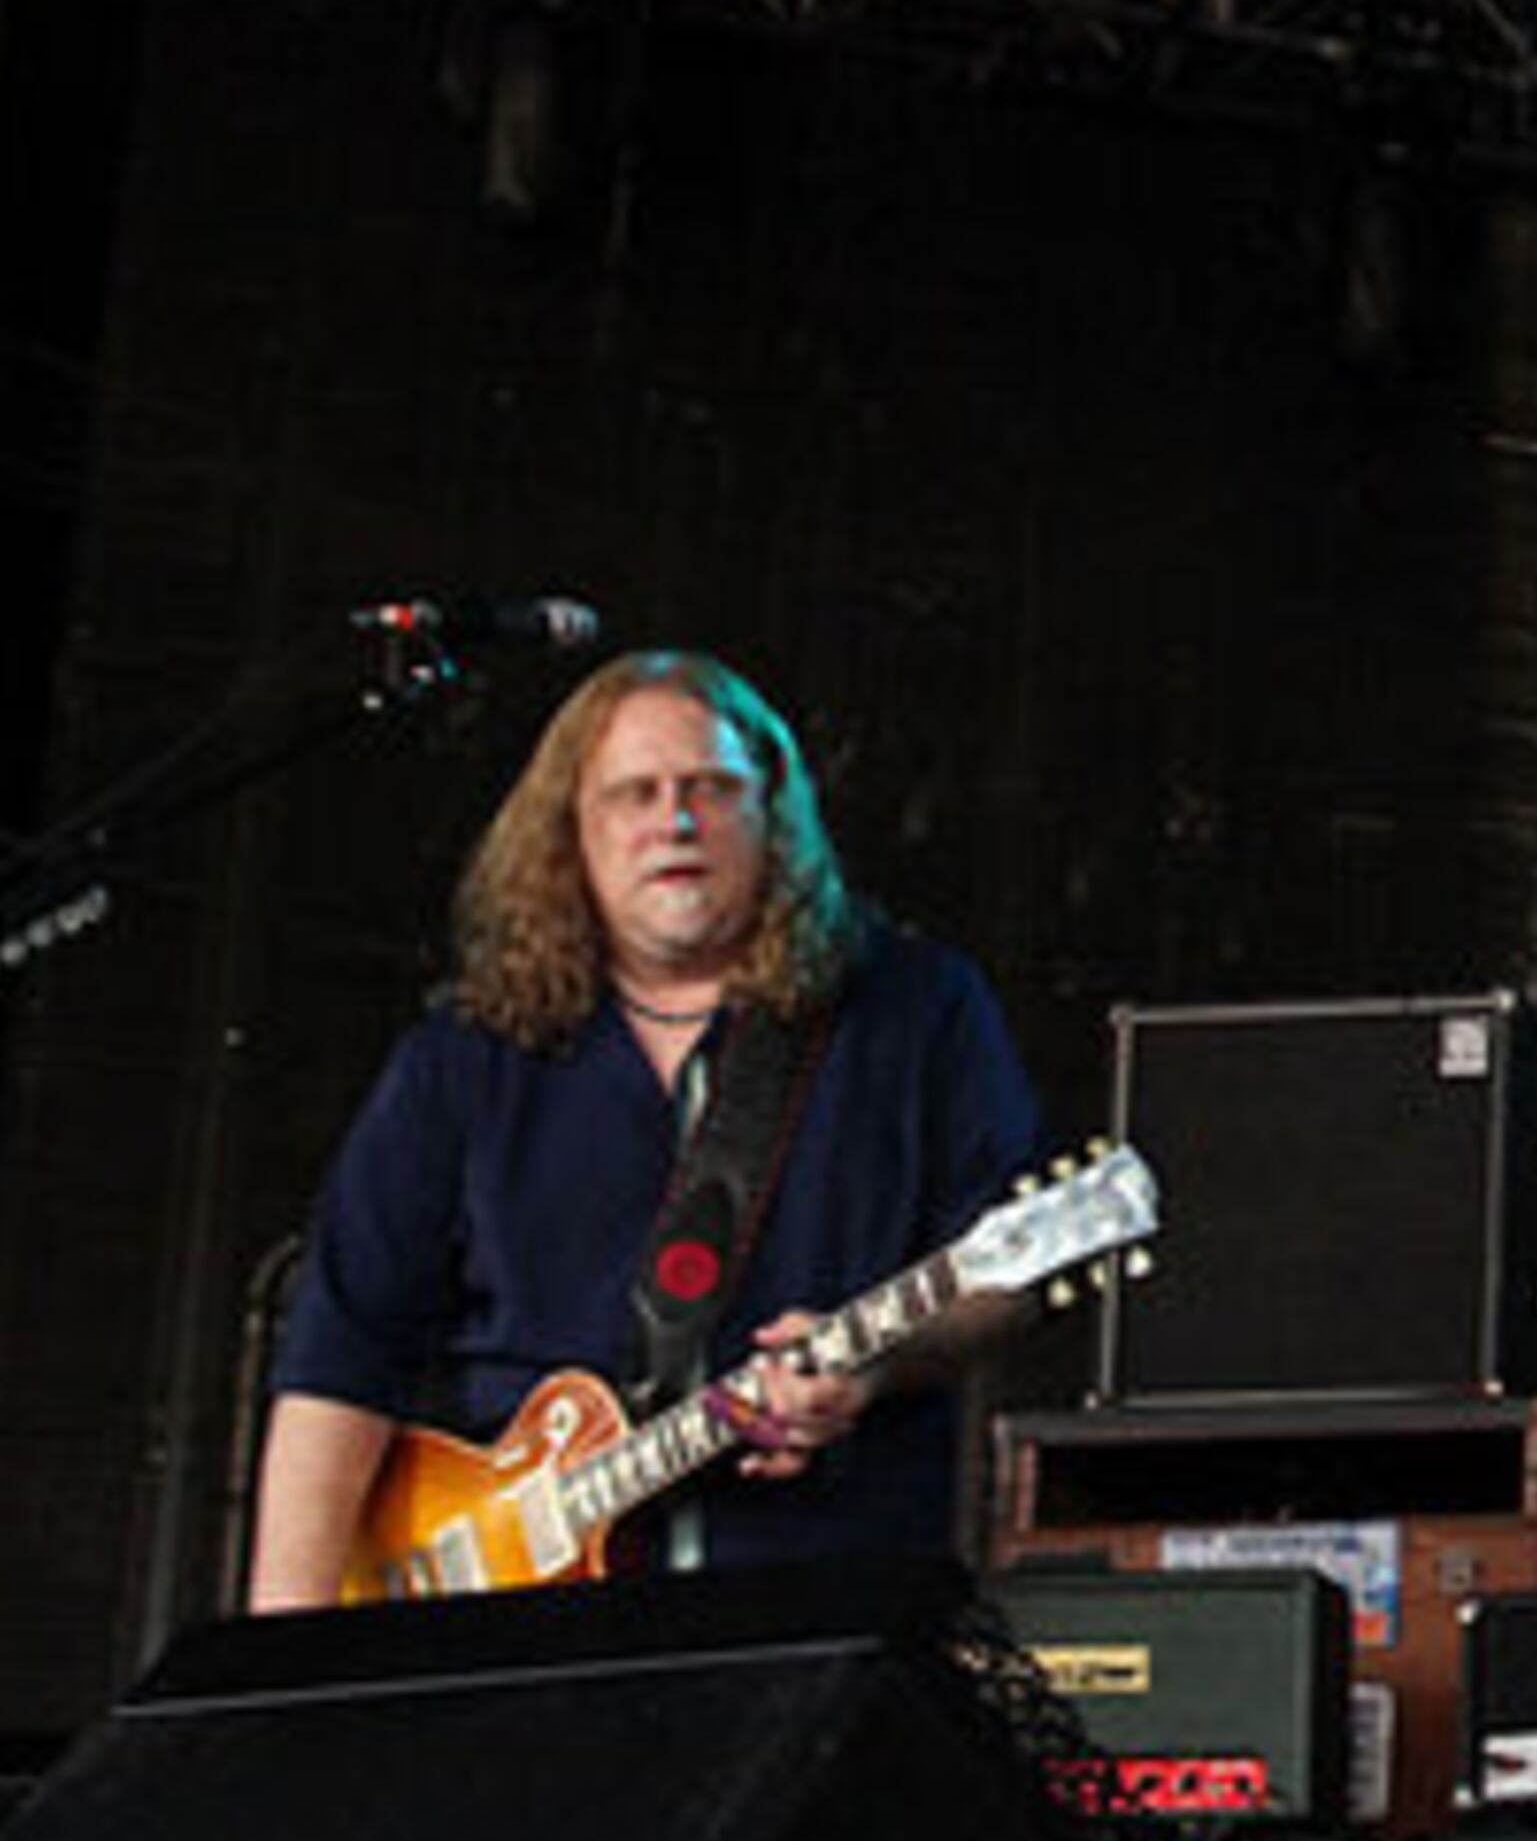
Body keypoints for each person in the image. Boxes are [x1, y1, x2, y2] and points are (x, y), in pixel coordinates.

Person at [246, 648, 1044, 1608]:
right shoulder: (466, 1055)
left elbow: (1010, 1267)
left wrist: (873, 1365)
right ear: (569, 832)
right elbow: (344, 1346)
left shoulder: (915, 1011)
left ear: (775, 816)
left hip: (823, 1602)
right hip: (518, 1631)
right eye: (634, 794)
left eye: (710, 788)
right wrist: (280, 1653)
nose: (674, 821)